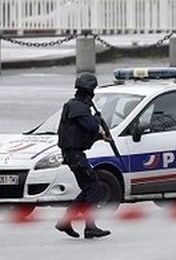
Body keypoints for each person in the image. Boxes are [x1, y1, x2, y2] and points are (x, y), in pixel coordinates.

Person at [54, 72, 111, 239]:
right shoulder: (78, 107)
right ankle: (89, 227)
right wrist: (97, 119)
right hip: (75, 155)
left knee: (89, 188)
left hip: (74, 154)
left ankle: (66, 221)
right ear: (89, 90)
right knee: (95, 188)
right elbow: (89, 125)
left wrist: (101, 136)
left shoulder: (76, 106)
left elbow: (78, 132)